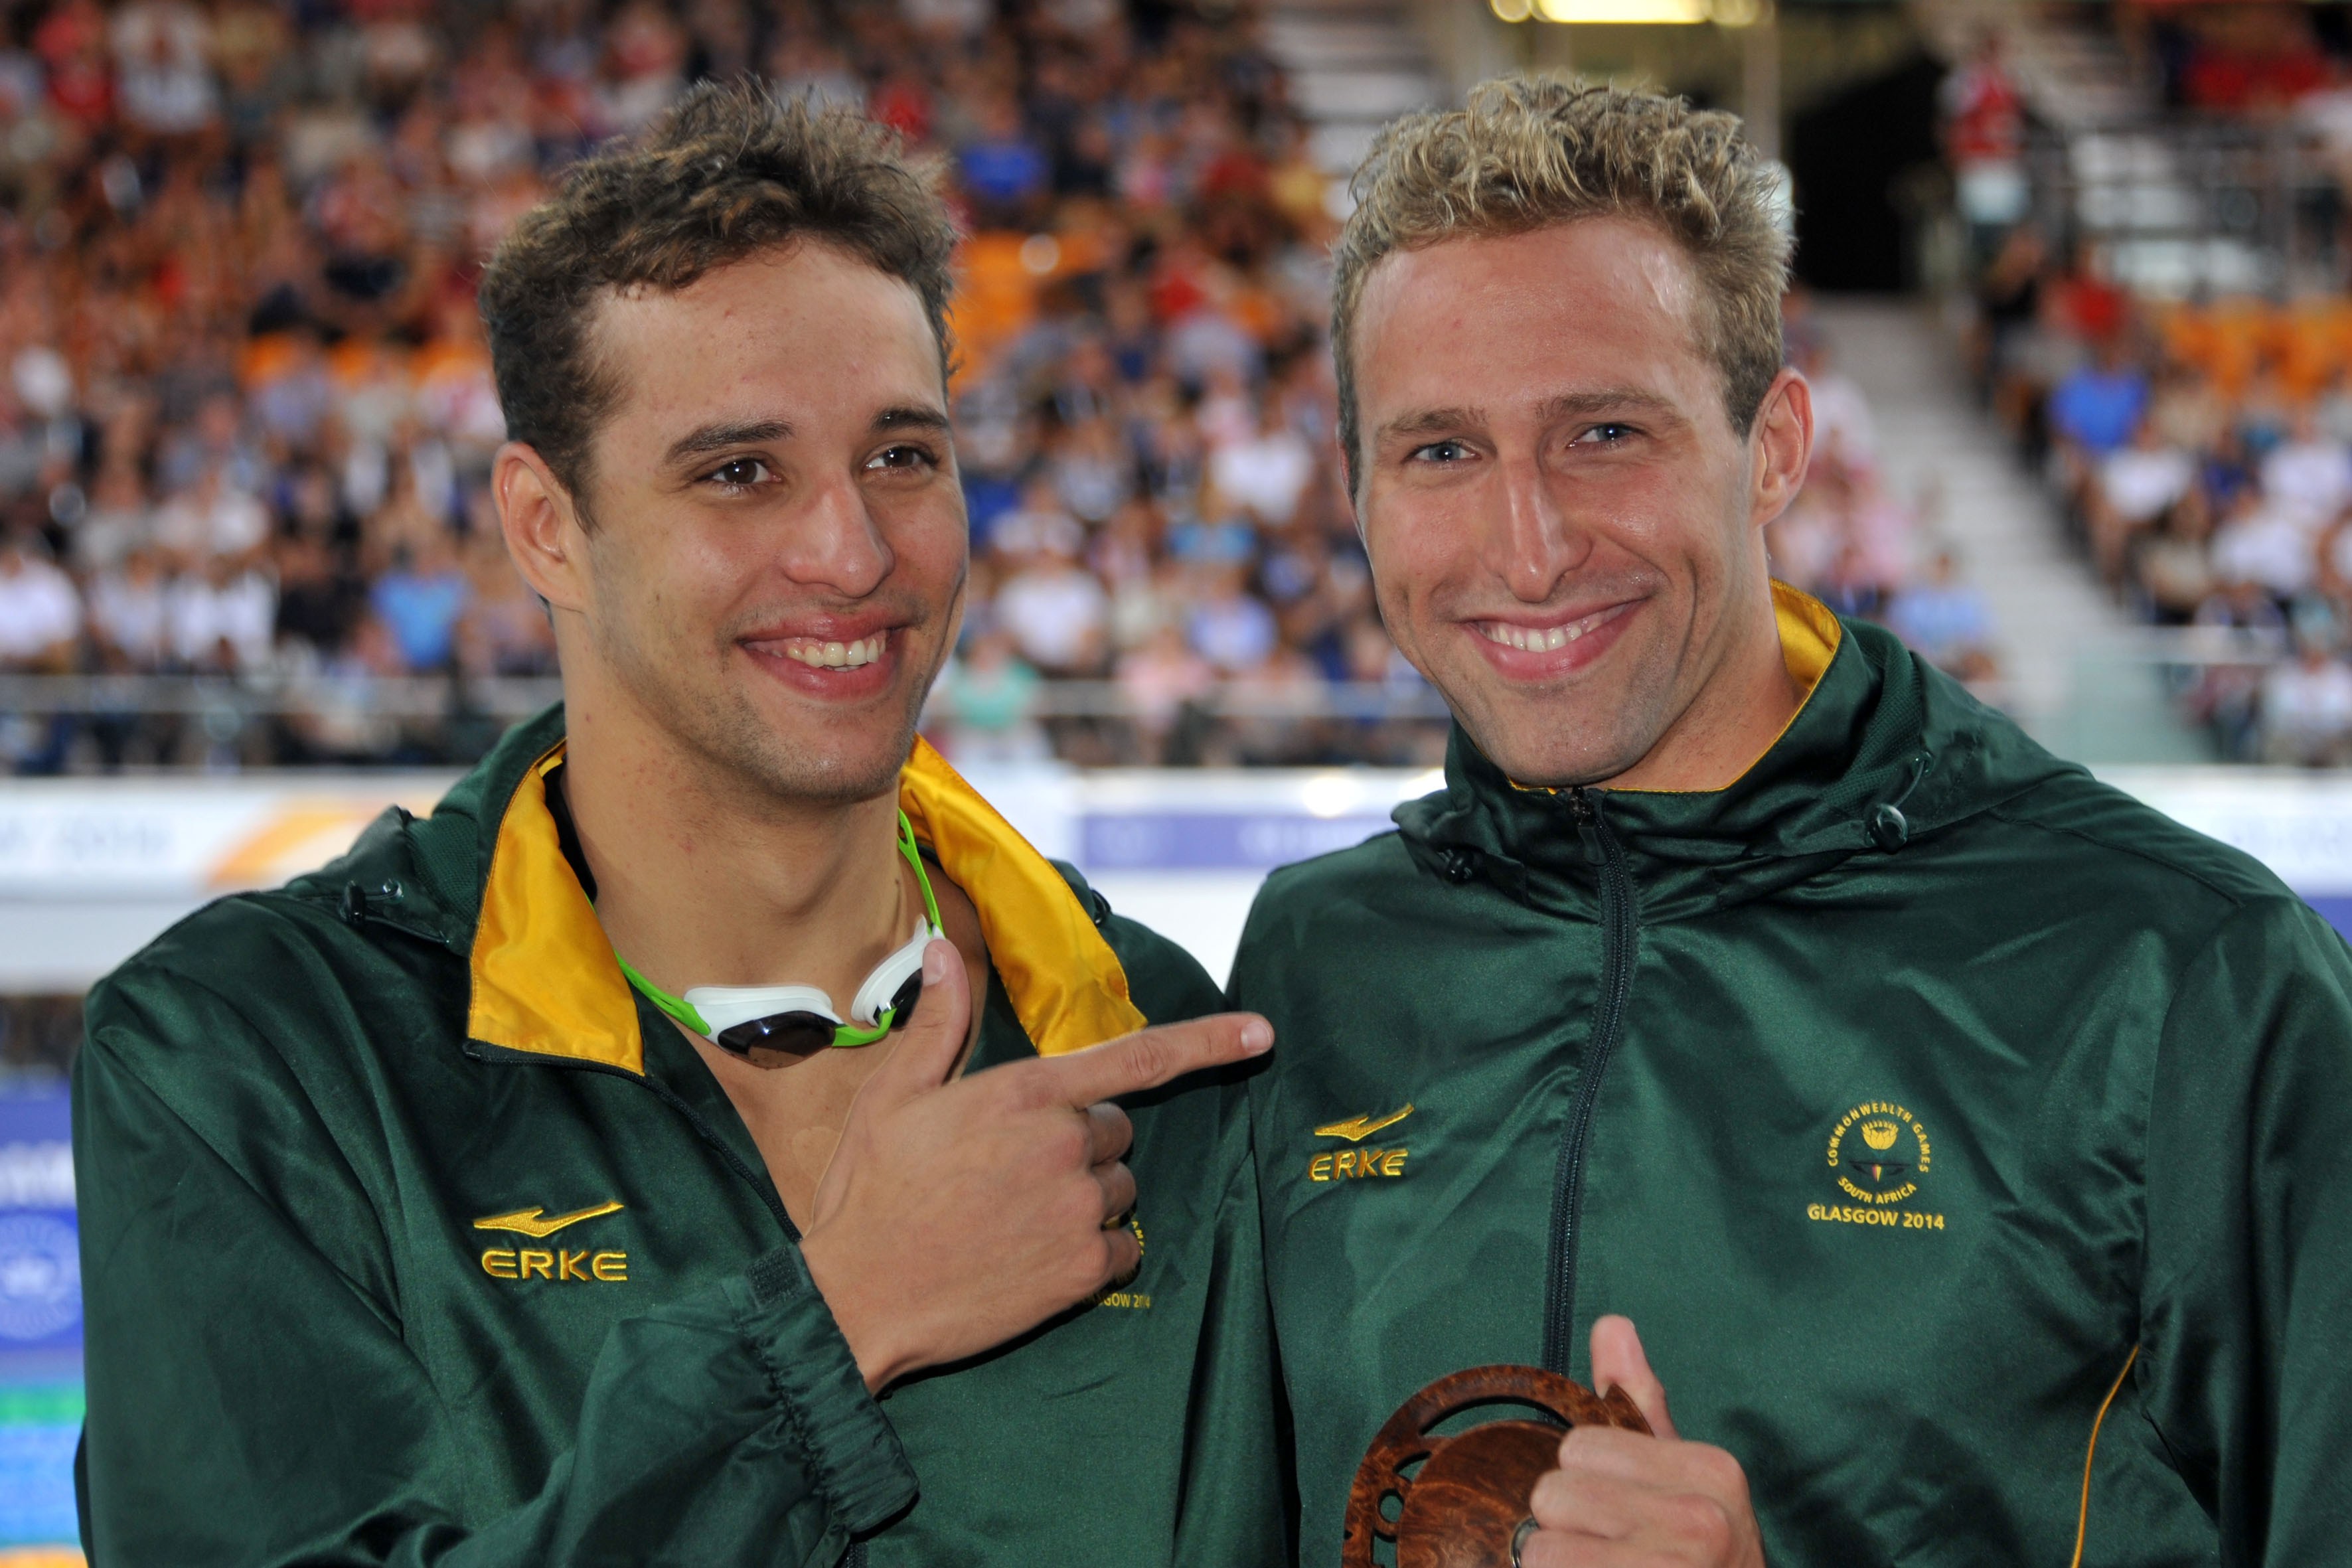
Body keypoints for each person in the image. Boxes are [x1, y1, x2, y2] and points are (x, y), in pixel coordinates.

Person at [74, 86, 1282, 1567]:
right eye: (738, 471)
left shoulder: (1149, 1029)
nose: (851, 551)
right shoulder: (257, 1056)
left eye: (902, 454)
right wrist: (831, 1328)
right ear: (545, 527)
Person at [1228, 77, 2352, 1567]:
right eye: (1440, 449)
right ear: (1356, 487)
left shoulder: (2178, 975)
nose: (1528, 542)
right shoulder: (1317, 959)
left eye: (1603, 432)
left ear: (1772, 446)